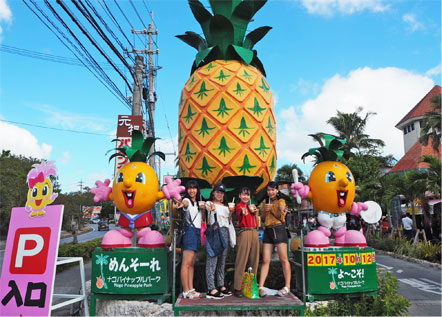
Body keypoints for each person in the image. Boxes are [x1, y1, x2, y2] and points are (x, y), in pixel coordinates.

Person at [258, 181, 291, 297]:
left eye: (273, 189)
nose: (270, 192)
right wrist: (264, 211)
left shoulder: (280, 201)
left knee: (283, 259)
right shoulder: (264, 202)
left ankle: (287, 286)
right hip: (267, 230)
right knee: (266, 259)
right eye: (268, 190)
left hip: (279, 229)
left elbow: (282, 209)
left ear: (277, 190)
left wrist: (280, 209)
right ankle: (261, 286)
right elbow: (262, 219)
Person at [176, 180, 205, 299]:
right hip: (190, 232)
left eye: (194, 188)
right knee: (186, 263)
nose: (192, 190)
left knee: (192, 263)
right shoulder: (186, 200)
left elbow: (202, 218)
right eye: (189, 188)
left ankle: (191, 289)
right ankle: (185, 290)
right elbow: (185, 204)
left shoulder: (198, 203)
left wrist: (203, 209)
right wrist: (182, 205)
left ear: (197, 190)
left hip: (197, 232)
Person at [205, 183, 234, 299]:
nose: (219, 194)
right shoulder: (209, 203)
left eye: (221, 192)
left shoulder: (227, 206)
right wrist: (210, 208)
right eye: (217, 192)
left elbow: (228, 220)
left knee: (222, 261)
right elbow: (208, 208)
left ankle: (221, 285)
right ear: (213, 193)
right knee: (212, 260)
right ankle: (211, 288)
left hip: (225, 232)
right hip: (215, 232)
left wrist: (231, 212)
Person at [233, 187, 260, 297]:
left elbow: (256, 220)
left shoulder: (252, 206)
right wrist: (244, 211)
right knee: (242, 259)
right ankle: (237, 287)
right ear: (239, 196)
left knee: (255, 259)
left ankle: (252, 286)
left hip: (254, 232)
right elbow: (240, 213)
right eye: (243, 194)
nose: (245, 197)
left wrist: (255, 212)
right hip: (244, 232)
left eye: (247, 195)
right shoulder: (239, 206)